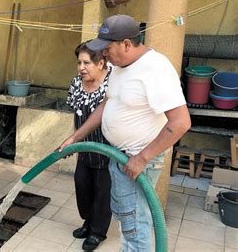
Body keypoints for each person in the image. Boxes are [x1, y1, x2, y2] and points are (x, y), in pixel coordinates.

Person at [59, 14, 191, 251]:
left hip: (136, 159)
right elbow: (106, 105)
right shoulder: (120, 67)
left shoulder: (155, 68)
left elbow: (180, 122)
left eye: (107, 49)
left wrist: (142, 158)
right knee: (126, 219)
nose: (105, 55)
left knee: (135, 224)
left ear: (127, 44)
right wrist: (76, 137)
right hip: (118, 155)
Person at [65, 42, 112, 250]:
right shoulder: (77, 83)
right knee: (83, 186)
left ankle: (98, 232)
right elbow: (75, 113)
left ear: (101, 63)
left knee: (103, 193)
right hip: (84, 148)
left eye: (86, 63)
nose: (81, 67)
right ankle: (88, 222)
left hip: (107, 150)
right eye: (79, 63)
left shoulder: (112, 83)